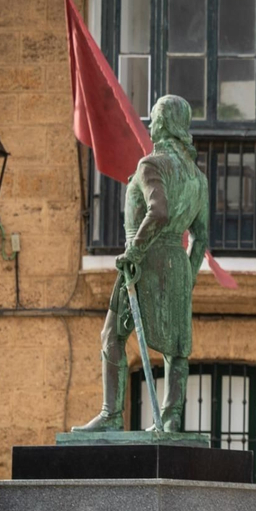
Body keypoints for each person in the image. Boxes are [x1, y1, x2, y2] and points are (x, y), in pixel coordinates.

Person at [71, 93, 210, 434]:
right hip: (177, 263)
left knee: (113, 334)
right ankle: (171, 416)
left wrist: (134, 252)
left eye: (154, 119)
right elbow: (201, 237)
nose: (150, 125)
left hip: (143, 261)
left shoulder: (151, 165)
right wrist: (189, 276)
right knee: (177, 348)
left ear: (164, 124)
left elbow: (158, 211)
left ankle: (111, 414)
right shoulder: (198, 178)